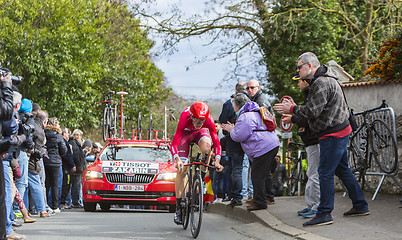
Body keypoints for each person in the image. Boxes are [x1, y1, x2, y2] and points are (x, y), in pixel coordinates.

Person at [273, 52, 369, 226]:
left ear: (310, 66)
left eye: (299, 66)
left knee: (324, 172)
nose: (297, 70)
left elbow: (312, 111)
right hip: (338, 131)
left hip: (333, 133)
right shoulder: (322, 80)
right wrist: (294, 113)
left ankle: (325, 213)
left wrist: (293, 109)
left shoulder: (321, 82)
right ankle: (360, 205)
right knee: (342, 170)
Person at [222, 93, 279, 211]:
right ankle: (263, 198)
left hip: (262, 148)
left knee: (257, 176)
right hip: (270, 145)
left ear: (237, 107)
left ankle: (260, 202)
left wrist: (232, 130)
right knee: (261, 175)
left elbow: (239, 136)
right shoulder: (255, 111)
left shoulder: (245, 116)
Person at [170, 101, 223, 225]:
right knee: (182, 170)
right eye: (197, 121)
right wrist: (177, 159)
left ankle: (202, 179)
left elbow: (217, 143)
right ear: (191, 117)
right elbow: (174, 144)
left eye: (202, 121)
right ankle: (178, 208)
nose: (199, 124)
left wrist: (217, 160)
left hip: (201, 134)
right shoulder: (184, 116)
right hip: (185, 135)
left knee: (207, 150)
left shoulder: (207, 120)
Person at [281, 75, 320, 218]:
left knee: (314, 173)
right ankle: (311, 205)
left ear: (305, 81)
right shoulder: (308, 94)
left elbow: (308, 117)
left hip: (314, 139)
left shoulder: (312, 94)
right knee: (312, 173)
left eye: (299, 81)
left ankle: (316, 207)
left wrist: (292, 116)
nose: (297, 84)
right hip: (310, 140)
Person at [246, 79, 276, 205]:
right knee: (263, 171)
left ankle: (265, 197)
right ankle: (265, 196)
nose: (249, 90)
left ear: (258, 87)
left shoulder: (260, 101)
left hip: (263, 141)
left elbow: (263, 121)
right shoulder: (256, 100)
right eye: (248, 88)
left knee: (261, 172)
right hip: (265, 140)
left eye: (252, 87)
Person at [218, 82, 248, 207]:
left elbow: (222, 120)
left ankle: (235, 195)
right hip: (245, 140)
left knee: (233, 169)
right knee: (240, 168)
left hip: (232, 139)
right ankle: (239, 194)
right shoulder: (251, 102)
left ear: (236, 90)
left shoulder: (228, 103)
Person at [44, 117, 67, 212]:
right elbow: (63, 150)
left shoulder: (44, 133)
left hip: (45, 160)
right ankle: (55, 206)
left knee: (46, 184)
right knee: (55, 185)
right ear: (54, 125)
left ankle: (44, 205)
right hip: (56, 162)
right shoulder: (58, 135)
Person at [31, 110, 51, 218]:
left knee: (25, 185)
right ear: (45, 121)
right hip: (35, 159)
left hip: (31, 158)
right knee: (38, 183)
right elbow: (37, 148)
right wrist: (39, 153)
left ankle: (31, 208)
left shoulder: (32, 125)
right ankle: (42, 208)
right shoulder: (39, 131)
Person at [69, 129, 86, 208]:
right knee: (76, 185)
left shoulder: (78, 143)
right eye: (76, 135)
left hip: (78, 167)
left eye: (79, 135)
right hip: (76, 167)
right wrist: (79, 165)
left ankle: (76, 200)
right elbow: (76, 155)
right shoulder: (73, 143)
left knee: (77, 185)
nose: (78, 136)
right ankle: (75, 201)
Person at [60, 127, 75, 209]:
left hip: (65, 166)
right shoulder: (64, 142)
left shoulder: (66, 142)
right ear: (63, 133)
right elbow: (67, 155)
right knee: (65, 184)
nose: (68, 135)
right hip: (65, 167)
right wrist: (72, 165)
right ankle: (62, 202)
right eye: (67, 133)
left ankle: (63, 201)